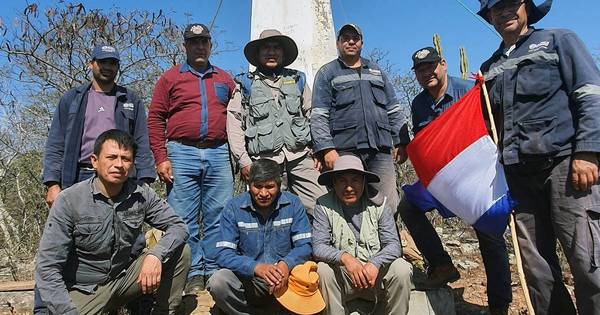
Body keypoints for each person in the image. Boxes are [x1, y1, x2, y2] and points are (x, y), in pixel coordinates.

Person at [478, 0, 600, 314]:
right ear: (488, 16)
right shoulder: (488, 68)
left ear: (527, 6)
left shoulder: (560, 40)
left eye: (511, 3)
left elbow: (589, 93)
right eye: (496, 7)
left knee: (588, 263)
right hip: (518, 180)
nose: (504, 11)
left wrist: (587, 151)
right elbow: (486, 127)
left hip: (566, 168)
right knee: (537, 272)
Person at [397, 46, 512, 314]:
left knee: (490, 234)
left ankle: (499, 305)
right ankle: (441, 264)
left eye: (431, 66)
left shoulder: (470, 91)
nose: (427, 73)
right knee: (407, 206)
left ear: (444, 64)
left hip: (476, 180)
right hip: (443, 181)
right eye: (421, 70)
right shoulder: (418, 105)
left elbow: (491, 129)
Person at [35, 129, 190, 314]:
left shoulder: (142, 193)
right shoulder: (69, 200)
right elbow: (47, 266)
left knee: (181, 251)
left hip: (124, 279)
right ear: (94, 161)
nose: (119, 165)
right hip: (84, 291)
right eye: (111, 157)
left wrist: (155, 255)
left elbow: (178, 227)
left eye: (125, 159)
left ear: (132, 164)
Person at [147, 23, 235, 294]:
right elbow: (155, 118)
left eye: (203, 42)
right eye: (193, 42)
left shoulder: (225, 79)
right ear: (185, 46)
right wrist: (161, 157)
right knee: (182, 217)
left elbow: (239, 116)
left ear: (210, 45)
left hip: (219, 151)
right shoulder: (170, 78)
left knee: (218, 215)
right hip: (181, 151)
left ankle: (213, 269)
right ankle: (193, 271)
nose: (199, 46)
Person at [43, 43, 155, 208]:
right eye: (102, 62)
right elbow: (55, 142)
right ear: (91, 64)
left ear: (117, 67)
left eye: (112, 63)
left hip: (119, 175)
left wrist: (145, 179)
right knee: (77, 231)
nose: (107, 67)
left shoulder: (130, 99)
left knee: (121, 230)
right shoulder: (72, 99)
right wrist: (52, 183)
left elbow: (141, 141)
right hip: (78, 176)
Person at [311, 23, 409, 213]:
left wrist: (401, 141)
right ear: (338, 43)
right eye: (345, 38)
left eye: (355, 38)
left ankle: (388, 243)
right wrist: (327, 149)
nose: (350, 42)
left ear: (362, 43)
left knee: (389, 205)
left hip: (379, 150)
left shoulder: (377, 71)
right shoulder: (327, 73)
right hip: (344, 151)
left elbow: (394, 109)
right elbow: (318, 115)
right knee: (348, 205)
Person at [227, 29, 326, 215]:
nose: (271, 52)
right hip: (264, 161)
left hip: (301, 156)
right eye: (266, 48)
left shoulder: (298, 79)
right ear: (257, 54)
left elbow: (313, 114)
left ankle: (318, 244)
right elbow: (234, 123)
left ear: (283, 53)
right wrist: (244, 161)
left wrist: (319, 150)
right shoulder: (245, 84)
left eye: (276, 48)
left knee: (321, 206)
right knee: (269, 213)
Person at [207, 159, 312, 314]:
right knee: (218, 282)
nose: (263, 193)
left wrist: (285, 265)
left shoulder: (293, 204)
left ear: (279, 185)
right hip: (250, 281)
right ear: (249, 184)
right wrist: (256, 268)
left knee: (316, 275)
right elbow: (223, 253)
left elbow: (305, 246)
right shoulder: (234, 207)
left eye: (270, 187)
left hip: (286, 280)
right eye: (258, 186)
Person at [312, 154, 412, 315]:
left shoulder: (380, 204)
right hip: (345, 278)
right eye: (342, 181)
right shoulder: (323, 205)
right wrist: (346, 258)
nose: (349, 187)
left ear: (364, 182)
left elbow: (394, 245)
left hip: (375, 277)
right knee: (323, 270)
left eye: (355, 180)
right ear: (334, 183)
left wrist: (375, 263)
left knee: (401, 269)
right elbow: (318, 246)